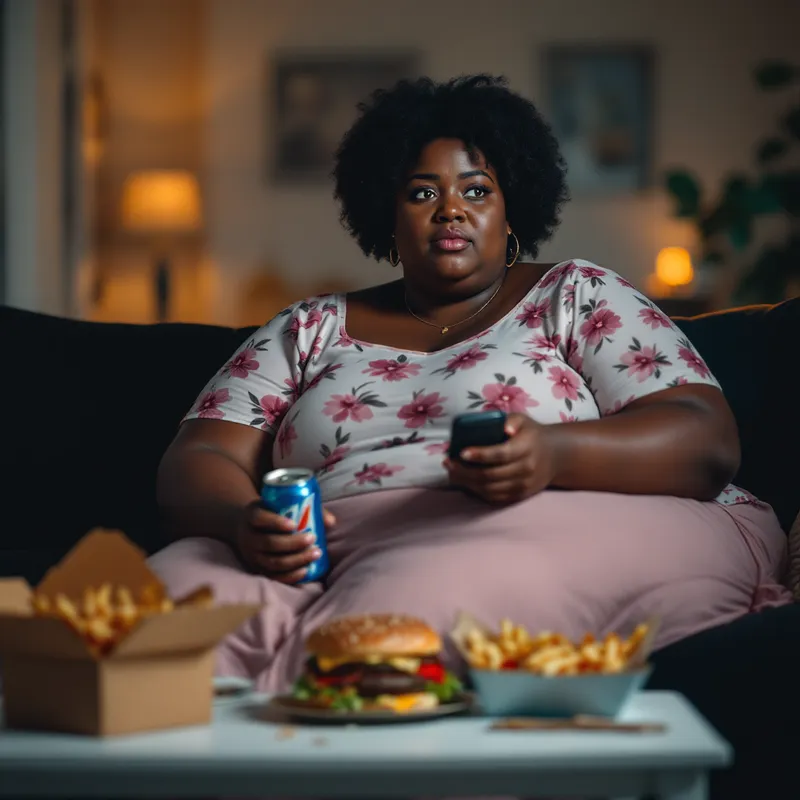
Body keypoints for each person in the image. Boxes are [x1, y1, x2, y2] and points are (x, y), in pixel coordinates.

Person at [151, 75, 790, 694]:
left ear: (513, 209)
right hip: (310, 552)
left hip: (510, 527)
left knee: (394, 619)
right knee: (158, 605)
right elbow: (202, 454)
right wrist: (243, 523)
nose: (452, 209)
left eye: (477, 190)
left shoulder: (573, 293)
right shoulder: (310, 326)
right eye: (422, 193)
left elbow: (704, 436)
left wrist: (552, 453)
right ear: (386, 216)